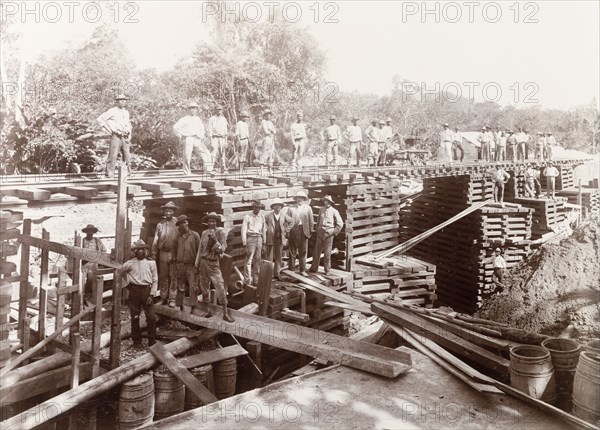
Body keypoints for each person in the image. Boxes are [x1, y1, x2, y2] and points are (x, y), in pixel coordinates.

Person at [195, 212, 234, 322]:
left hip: (213, 264)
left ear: (216, 222)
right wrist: (196, 264)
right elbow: (200, 249)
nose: (211, 223)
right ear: (206, 222)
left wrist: (214, 240)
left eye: (213, 221)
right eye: (209, 221)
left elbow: (222, 250)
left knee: (220, 286)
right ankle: (208, 310)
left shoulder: (220, 233)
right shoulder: (204, 233)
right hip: (203, 263)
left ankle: (225, 313)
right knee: (204, 287)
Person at [122, 240, 158, 348]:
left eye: (143, 249)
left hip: (147, 291)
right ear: (135, 251)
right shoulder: (130, 263)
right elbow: (118, 273)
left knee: (151, 317)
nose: (141, 251)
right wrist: (127, 286)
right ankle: (137, 341)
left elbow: (155, 279)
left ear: (146, 250)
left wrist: (152, 295)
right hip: (135, 292)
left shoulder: (151, 263)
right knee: (135, 317)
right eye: (138, 249)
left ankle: (152, 341)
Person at [97, 93, 132, 177]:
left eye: (124, 100)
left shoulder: (126, 112)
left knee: (127, 156)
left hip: (125, 136)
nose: (123, 102)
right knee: (113, 155)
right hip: (116, 136)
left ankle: (127, 174)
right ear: (117, 102)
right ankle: (109, 174)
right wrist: (108, 130)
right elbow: (100, 119)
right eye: (121, 100)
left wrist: (130, 135)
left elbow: (129, 124)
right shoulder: (112, 111)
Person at [151, 201, 179, 306]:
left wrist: (177, 254)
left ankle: (172, 299)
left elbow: (180, 240)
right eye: (166, 210)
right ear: (164, 211)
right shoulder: (160, 224)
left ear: (174, 212)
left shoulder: (177, 223)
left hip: (173, 253)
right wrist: (153, 252)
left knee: (173, 276)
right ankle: (163, 298)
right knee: (163, 276)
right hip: (163, 253)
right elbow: (156, 239)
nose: (168, 212)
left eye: (170, 210)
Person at [173, 101, 212, 175]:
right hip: (188, 138)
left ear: (196, 110)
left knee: (206, 153)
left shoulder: (198, 119)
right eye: (191, 108)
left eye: (194, 108)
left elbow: (202, 129)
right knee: (187, 156)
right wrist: (180, 136)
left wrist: (201, 137)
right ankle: (187, 173)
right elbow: (175, 127)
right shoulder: (185, 119)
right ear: (188, 110)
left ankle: (208, 171)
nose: (192, 110)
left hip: (197, 139)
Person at [309, 195, 344, 276]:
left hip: (329, 234)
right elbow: (318, 221)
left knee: (327, 254)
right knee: (316, 252)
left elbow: (340, 223)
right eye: (325, 201)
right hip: (320, 233)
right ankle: (314, 268)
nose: (327, 203)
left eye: (328, 201)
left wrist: (334, 232)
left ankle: (327, 270)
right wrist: (317, 230)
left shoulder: (334, 211)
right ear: (324, 202)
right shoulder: (321, 210)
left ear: (331, 203)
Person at [172, 215, 201, 308]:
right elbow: (174, 253)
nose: (184, 224)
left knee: (193, 287)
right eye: (181, 223)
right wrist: (175, 266)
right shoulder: (176, 238)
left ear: (188, 223)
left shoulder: (195, 235)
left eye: (185, 222)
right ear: (179, 225)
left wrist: (198, 266)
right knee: (181, 286)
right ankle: (181, 306)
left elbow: (199, 251)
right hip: (180, 266)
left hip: (192, 266)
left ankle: (194, 307)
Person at [264, 198, 295, 280]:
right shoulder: (268, 216)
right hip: (271, 239)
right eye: (275, 205)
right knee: (269, 257)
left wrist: (286, 230)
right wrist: (267, 231)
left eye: (279, 205)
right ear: (273, 207)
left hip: (280, 239)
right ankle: (269, 275)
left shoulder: (283, 215)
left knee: (278, 257)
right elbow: (263, 224)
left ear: (281, 207)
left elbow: (292, 221)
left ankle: (277, 274)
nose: (277, 207)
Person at [286, 191, 314, 276]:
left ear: (304, 199)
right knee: (292, 251)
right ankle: (292, 270)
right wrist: (287, 232)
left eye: (302, 198)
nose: (300, 199)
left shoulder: (308, 208)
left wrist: (310, 232)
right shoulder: (291, 208)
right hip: (293, 231)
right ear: (296, 199)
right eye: (298, 198)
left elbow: (311, 221)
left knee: (303, 251)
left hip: (304, 231)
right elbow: (286, 221)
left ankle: (302, 270)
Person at [241, 200, 266, 286]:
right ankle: (247, 281)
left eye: (259, 208)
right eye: (256, 207)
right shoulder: (247, 217)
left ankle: (256, 280)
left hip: (259, 238)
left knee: (258, 260)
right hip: (250, 238)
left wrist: (264, 243)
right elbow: (243, 230)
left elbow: (264, 230)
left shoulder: (262, 217)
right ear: (253, 207)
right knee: (248, 260)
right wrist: (245, 244)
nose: (257, 209)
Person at [80, 224, 106, 304]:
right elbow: (78, 251)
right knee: (82, 279)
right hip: (84, 263)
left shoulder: (97, 240)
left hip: (94, 263)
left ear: (93, 232)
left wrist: (98, 256)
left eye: (91, 231)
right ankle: (82, 296)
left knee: (91, 278)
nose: (90, 233)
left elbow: (104, 250)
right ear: (86, 232)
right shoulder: (82, 241)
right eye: (88, 231)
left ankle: (89, 295)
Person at [207, 105, 229, 173]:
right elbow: (209, 130)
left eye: (220, 109)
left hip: (222, 138)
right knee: (213, 153)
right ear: (215, 110)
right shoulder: (212, 119)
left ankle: (223, 168)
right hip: (215, 138)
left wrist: (226, 140)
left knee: (223, 154)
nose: (219, 111)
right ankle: (210, 169)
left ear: (222, 110)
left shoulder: (224, 119)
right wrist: (211, 140)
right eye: (218, 109)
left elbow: (225, 130)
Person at [259, 109, 276, 175]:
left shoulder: (270, 122)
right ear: (265, 115)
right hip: (266, 139)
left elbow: (275, 131)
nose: (269, 115)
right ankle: (261, 170)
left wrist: (271, 130)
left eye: (269, 114)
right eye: (267, 114)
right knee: (264, 153)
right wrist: (271, 131)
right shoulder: (263, 122)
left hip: (271, 139)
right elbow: (266, 131)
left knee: (271, 154)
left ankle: (270, 169)